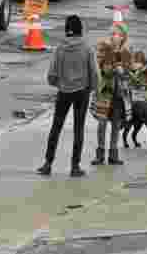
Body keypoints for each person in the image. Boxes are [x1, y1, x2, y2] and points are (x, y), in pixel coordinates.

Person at [38, 16, 97, 177]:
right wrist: (91, 88)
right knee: (79, 128)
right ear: (80, 30)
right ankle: (75, 166)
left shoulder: (60, 49)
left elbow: (52, 74)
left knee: (56, 127)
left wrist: (59, 84)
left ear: (66, 30)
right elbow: (94, 73)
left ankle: (48, 164)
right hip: (82, 92)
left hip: (63, 91)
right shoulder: (87, 48)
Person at [90, 22, 132, 165]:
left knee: (116, 124)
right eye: (113, 34)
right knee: (102, 123)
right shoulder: (105, 50)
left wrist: (123, 70)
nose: (115, 37)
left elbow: (127, 72)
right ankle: (100, 154)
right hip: (105, 92)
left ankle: (113, 154)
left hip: (119, 94)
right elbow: (103, 69)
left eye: (119, 35)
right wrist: (113, 65)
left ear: (123, 37)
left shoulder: (126, 52)